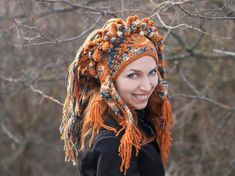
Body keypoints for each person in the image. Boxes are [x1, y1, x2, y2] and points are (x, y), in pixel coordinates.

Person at [60, 15, 173, 176]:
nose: (148, 86)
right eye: (133, 75)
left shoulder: (135, 119)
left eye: (152, 72)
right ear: (109, 81)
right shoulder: (113, 143)